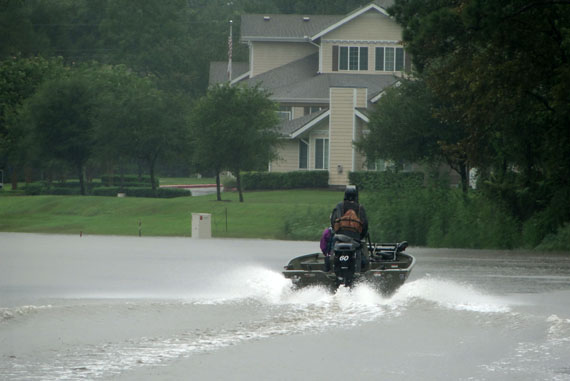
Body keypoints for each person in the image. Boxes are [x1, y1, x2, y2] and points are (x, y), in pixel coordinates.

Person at [330, 185, 368, 272]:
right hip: (355, 239)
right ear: (356, 196)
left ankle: (331, 268)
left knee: (333, 249)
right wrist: (359, 236)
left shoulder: (339, 206)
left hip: (339, 238)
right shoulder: (360, 208)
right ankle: (358, 272)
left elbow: (333, 222)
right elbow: (365, 226)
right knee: (359, 253)